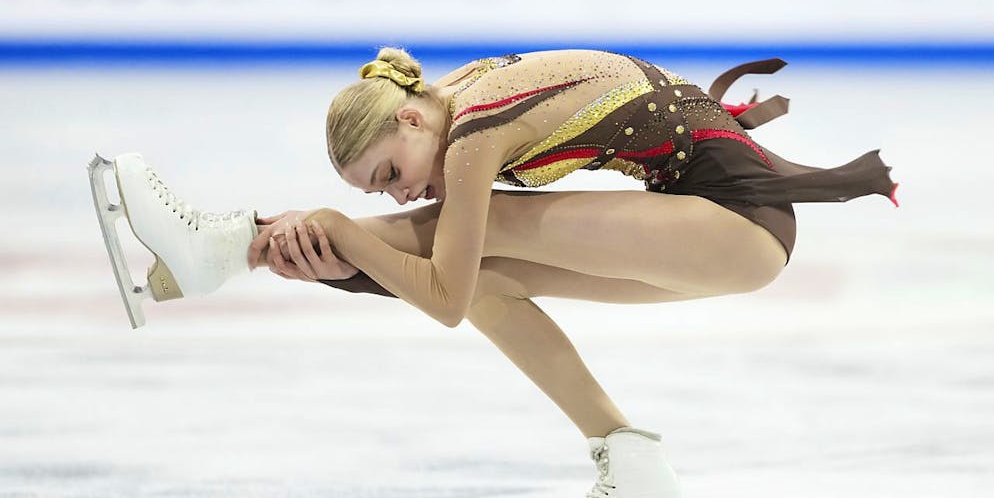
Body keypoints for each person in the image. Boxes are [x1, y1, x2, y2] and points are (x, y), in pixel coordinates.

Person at [239, 47, 897, 497]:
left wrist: (331, 229)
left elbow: (441, 297)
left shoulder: (472, 133)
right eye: (377, 191)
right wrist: (328, 247)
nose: (399, 192)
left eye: (390, 172)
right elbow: (454, 283)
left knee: (483, 234)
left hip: (737, 221)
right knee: (487, 279)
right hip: (720, 228)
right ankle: (630, 460)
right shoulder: (452, 97)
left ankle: (231, 246)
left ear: (411, 119)